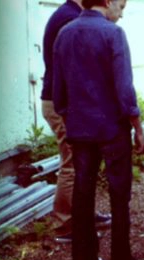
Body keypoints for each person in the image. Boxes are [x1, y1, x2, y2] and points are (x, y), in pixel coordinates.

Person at [52, 0, 144, 260]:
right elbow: (124, 88)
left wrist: (71, 119)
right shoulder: (113, 33)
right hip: (112, 129)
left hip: (80, 129)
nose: (121, 12)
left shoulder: (64, 33)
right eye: (120, 5)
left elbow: (58, 93)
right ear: (107, 1)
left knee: (83, 195)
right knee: (119, 196)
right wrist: (138, 128)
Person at [41, 0, 112, 244]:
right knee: (72, 162)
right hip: (61, 103)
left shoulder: (70, 13)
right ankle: (65, 225)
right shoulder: (69, 18)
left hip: (63, 101)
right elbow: (75, 69)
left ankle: (84, 216)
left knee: (80, 162)